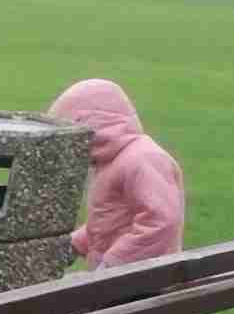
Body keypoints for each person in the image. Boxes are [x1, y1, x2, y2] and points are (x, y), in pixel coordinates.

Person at [48, 79, 185, 272]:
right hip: (123, 276)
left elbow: (160, 222)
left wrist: (114, 264)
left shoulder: (143, 159)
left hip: (145, 278)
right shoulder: (110, 162)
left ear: (91, 126)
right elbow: (110, 222)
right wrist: (75, 245)